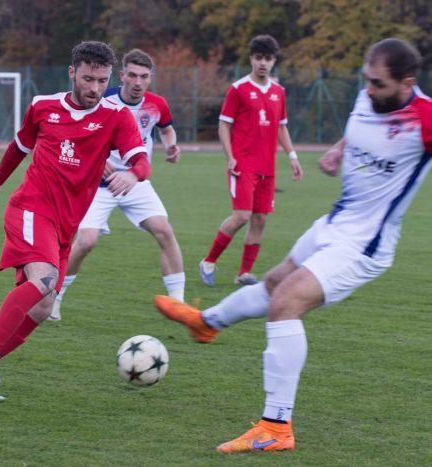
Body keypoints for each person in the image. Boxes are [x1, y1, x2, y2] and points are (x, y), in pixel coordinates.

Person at [154, 38, 431, 453]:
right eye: (366, 80)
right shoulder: (368, 96)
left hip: (365, 244)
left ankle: (276, 426)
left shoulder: (424, 119)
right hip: (333, 224)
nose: (368, 89)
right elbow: (362, 128)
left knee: (285, 303)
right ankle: (207, 322)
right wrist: (338, 150)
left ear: (407, 82)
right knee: (273, 283)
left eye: (378, 83)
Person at [0, 41, 149, 400]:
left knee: (42, 309)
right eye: (87, 79)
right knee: (44, 281)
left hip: (65, 225)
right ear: (72, 73)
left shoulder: (117, 117)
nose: (95, 88)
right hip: (31, 208)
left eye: (102, 81)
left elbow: (141, 161)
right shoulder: (43, 107)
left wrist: (133, 174)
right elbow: (17, 149)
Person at [49, 48, 184, 321]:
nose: (137, 82)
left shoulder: (157, 104)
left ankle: (178, 304)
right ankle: (55, 296)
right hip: (98, 185)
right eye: (132, 75)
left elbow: (167, 128)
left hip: (136, 180)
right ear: (121, 75)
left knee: (164, 231)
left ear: (150, 78)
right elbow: (76, 135)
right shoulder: (103, 99)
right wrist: (96, 162)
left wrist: (171, 145)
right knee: (86, 241)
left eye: (143, 76)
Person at [199, 35, 303, 287]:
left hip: (268, 167)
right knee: (242, 215)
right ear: (251, 59)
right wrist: (230, 157)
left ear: (274, 61)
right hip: (243, 164)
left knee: (260, 220)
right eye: (258, 58)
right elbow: (224, 125)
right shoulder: (238, 89)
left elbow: (282, 127)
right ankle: (208, 261)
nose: (263, 63)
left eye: (267, 58)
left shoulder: (279, 92)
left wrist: (292, 156)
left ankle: (244, 273)